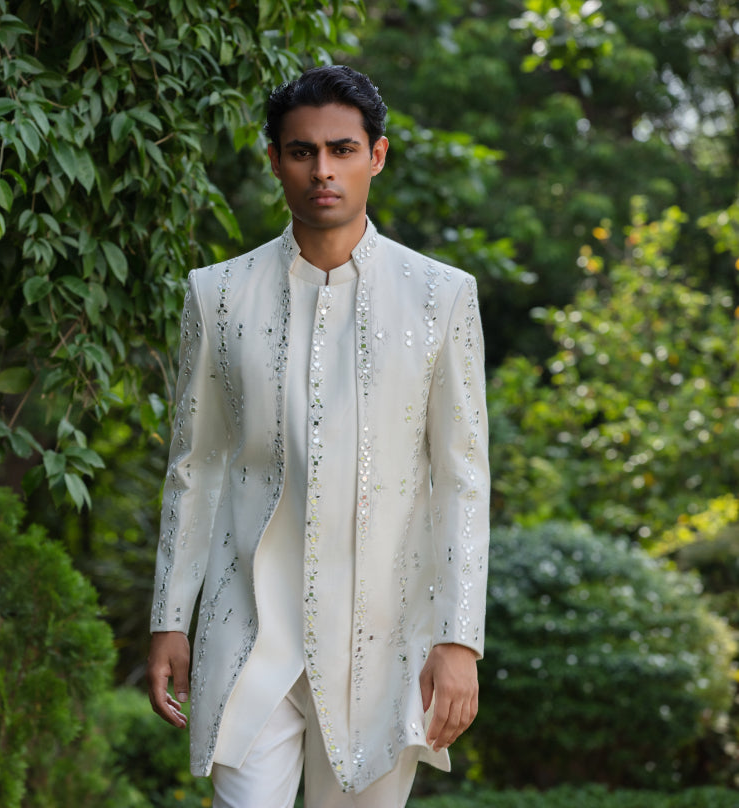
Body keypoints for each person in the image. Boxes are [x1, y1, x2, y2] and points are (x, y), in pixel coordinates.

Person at [146, 65, 490, 808]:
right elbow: (194, 466)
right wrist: (170, 618)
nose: (322, 170)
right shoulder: (218, 294)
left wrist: (459, 639)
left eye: (342, 149)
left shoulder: (441, 296)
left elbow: (461, 480)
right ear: (275, 160)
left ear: (377, 156)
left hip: (384, 642)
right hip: (250, 633)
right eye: (302, 152)